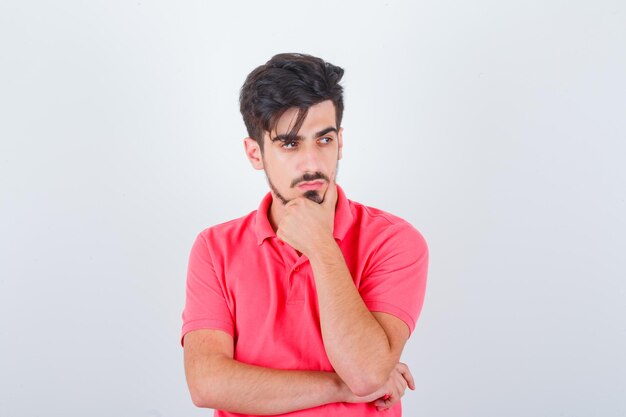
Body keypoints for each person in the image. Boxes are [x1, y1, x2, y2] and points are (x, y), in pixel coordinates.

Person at [180, 52, 429, 416]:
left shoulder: (394, 241)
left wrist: (321, 246)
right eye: (290, 144)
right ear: (255, 154)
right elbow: (207, 384)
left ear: (340, 141)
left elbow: (365, 373)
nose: (312, 162)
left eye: (324, 140)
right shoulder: (214, 248)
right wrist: (340, 388)